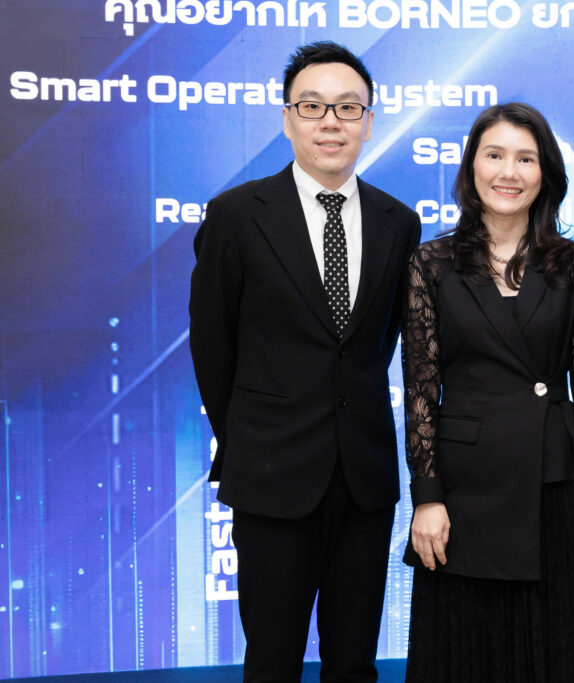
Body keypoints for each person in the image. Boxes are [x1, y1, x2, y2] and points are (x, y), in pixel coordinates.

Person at [188, 41, 421, 683]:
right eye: (312, 106)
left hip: (364, 479)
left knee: (354, 663)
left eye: (348, 108)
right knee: (272, 662)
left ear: (368, 121)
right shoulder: (237, 216)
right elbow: (212, 346)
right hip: (270, 476)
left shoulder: (398, 222)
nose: (331, 122)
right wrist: (250, 439)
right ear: (287, 118)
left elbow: (382, 341)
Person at [400, 102, 574, 683]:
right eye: (495, 155)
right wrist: (426, 497)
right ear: (472, 167)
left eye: (526, 159)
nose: (509, 172)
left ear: (545, 173)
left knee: (561, 652)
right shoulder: (432, 263)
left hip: (554, 484)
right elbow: (421, 388)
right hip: (464, 492)